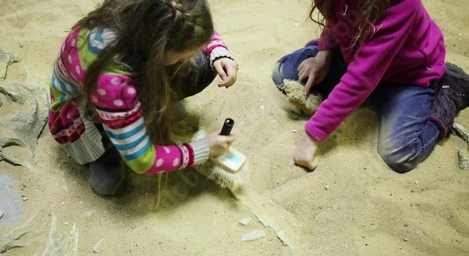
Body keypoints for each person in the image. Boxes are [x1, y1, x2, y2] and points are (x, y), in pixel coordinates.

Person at [48, 0, 238, 195]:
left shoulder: (142, 13)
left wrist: (217, 50)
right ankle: (105, 155)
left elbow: (189, 20)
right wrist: (203, 148)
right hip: (86, 114)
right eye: (181, 57)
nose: (186, 59)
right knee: (112, 179)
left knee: (203, 64)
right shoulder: (113, 85)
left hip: (124, 86)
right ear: (158, 45)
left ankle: (149, 111)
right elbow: (142, 160)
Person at [272, 0, 469, 173]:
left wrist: (311, 136)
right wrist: (324, 54)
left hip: (407, 76)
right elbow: (337, 18)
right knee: (285, 74)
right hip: (358, 54)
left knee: (398, 154)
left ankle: (448, 92)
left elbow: (361, 79)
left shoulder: (403, 4)